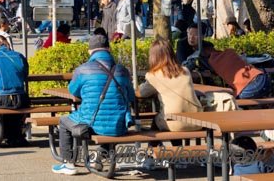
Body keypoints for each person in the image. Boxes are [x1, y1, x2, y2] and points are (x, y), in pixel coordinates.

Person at [51, 34, 133, 176]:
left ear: (90, 51)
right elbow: (130, 96)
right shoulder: (122, 70)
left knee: (64, 121)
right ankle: (98, 157)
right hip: (119, 125)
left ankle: (68, 163)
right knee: (110, 123)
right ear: (108, 49)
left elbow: (73, 90)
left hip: (90, 124)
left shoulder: (83, 69)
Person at [138, 40, 202, 133]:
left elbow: (141, 93)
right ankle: (176, 142)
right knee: (164, 119)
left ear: (153, 57)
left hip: (175, 122)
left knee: (157, 120)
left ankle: (155, 142)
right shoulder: (185, 71)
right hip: (198, 121)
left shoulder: (153, 75)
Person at [202, 41, 270, 99]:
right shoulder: (229, 51)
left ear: (205, 51)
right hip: (262, 79)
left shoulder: (211, 62)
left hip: (249, 88)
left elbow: (217, 81)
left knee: (231, 100)